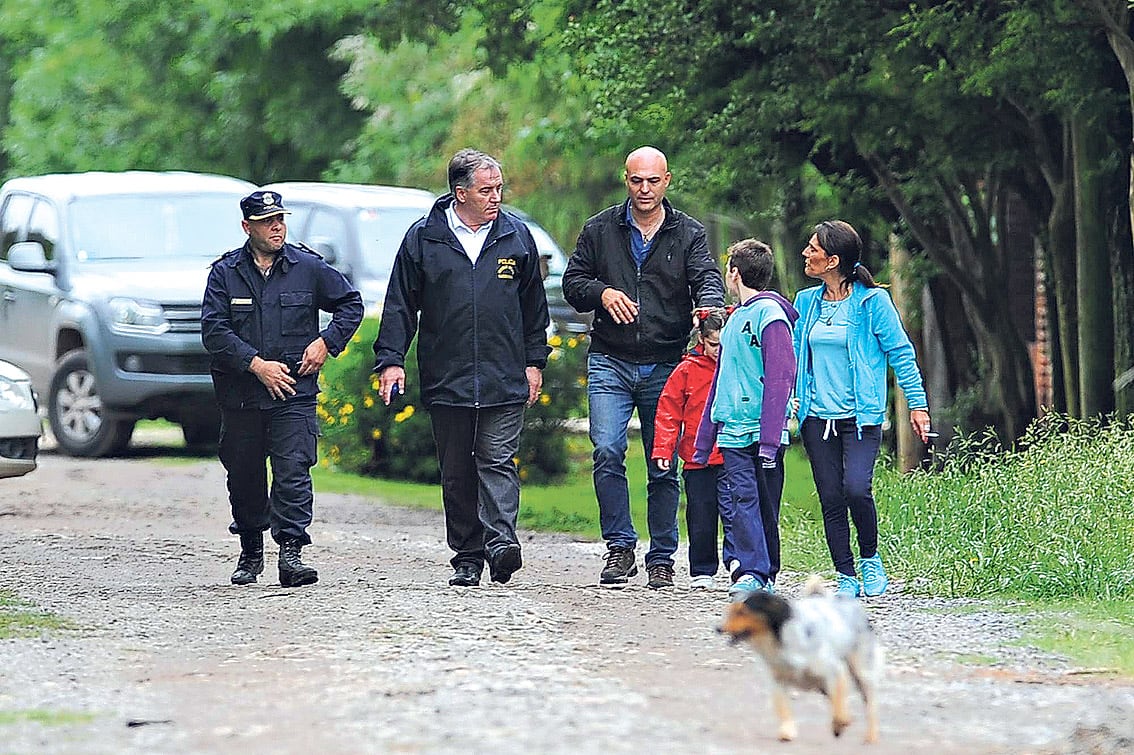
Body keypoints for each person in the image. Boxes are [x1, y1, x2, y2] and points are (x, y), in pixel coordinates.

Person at [373, 149, 550, 588]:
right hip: (446, 373)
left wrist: (534, 362)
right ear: (460, 193)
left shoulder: (516, 236)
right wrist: (391, 361)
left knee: (497, 459)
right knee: (457, 469)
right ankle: (468, 555)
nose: (496, 197)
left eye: (499, 189)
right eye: (486, 190)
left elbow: (534, 308)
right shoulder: (424, 239)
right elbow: (400, 305)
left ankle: (502, 543)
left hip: (504, 371)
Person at [564, 145, 725, 589]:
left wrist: (709, 308)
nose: (645, 189)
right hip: (610, 360)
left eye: (653, 181)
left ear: (667, 180)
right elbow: (573, 283)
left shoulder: (688, 233)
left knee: (663, 462)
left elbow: (706, 276)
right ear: (626, 180)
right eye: (637, 180)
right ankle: (619, 548)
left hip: (666, 363)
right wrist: (603, 293)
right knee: (607, 450)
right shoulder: (600, 229)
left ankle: (661, 556)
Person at [201, 190, 363, 587]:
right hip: (242, 395)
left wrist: (326, 342)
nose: (277, 227)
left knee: (293, 471)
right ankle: (251, 549)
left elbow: (350, 304)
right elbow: (214, 331)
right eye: (267, 221)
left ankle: (291, 553)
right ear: (247, 227)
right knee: (244, 475)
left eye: (281, 219)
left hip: (294, 392)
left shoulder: (306, 267)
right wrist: (255, 365)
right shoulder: (225, 273)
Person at [793, 220, 931, 598]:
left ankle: (870, 558)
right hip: (816, 417)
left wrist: (917, 405)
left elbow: (901, 354)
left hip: (860, 417)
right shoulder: (805, 303)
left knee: (856, 488)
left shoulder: (872, 303)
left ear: (833, 259)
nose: (806, 254)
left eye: (813, 249)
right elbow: (789, 357)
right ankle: (846, 574)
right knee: (831, 497)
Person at [693, 239, 797, 599]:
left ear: (734, 273)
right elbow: (721, 379)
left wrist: (771, 438)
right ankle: (752, 571)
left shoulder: (771, 316)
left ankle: (767, 571)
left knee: (766, 504)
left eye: (727, 269)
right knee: (742, 501)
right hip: (734, 432)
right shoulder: (734, 318)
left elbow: (781, 377)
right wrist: (705, 438)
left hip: (764, 433)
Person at [650, 307, 735, 589]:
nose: (718, 351)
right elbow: (668, 412)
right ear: (701, 338)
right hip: (697, 458)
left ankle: (740, 564)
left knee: (736, 511)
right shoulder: (686, 370)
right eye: (713, 345)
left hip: (733, 452)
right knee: (700, 514)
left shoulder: (738, 365)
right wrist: (663, 449)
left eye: (724, 345)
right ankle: (702, 569)